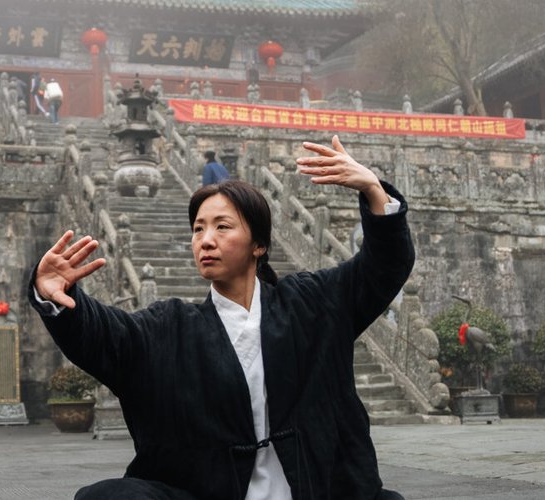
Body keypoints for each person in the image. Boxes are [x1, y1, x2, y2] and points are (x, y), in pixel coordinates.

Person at [27, 136, 412, 500]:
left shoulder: (312, 304)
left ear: (258, 244)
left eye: (222, 227)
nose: (205, 240)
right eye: (198, 229)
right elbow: (106, 336)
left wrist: (374, 190)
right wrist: (55, 295)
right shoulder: (170, 328)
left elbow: (382, 267)